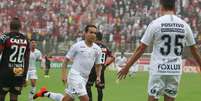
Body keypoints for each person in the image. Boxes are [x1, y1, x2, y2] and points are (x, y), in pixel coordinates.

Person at [117, 0, 201, 101]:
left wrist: (127, 66)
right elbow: (194, 50)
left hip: (158, 69)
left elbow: (141, 48)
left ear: (161, 7)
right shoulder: (184, 25)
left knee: (153, 98)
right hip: (175, 70)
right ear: (175, 8)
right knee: (170, 99)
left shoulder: (156, 24)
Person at [33, 24, 102, 101]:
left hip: (85, 78)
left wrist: (98, 76)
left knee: (67, 99)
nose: (93, 35)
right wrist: (63, 75)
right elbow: (66, 61)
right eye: (91, 32)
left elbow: (98, 65)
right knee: (85, 99)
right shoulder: (77, 46)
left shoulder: (98, 49)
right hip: (75, 75)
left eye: (95, 33)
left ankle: (45, 93)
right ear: (85, 33)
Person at [0, 17, 30, 101]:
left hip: (5, 72)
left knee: (1, 95)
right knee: (14, 97)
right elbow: (26, 60)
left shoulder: (5, 37)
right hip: (18, 72)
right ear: (20, 27)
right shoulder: (25, 39)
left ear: (10, 26)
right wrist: (24, 77)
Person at [86, 32, 115, 101]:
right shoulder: (105, 47)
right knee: (100, 88)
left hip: (93, 69)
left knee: (87, 86)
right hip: (101, 70)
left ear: (96, 37)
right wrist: (105, 64)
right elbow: (113, 57)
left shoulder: (93, 46)